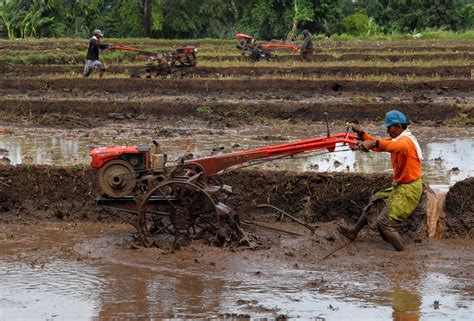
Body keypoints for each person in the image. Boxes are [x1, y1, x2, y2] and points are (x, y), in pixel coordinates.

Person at [338, 110, 423, 251]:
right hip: (400, 186)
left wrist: (373, 143)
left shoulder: (405, 142)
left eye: (389, 127)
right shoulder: (397, 138)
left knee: (384, 223)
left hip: (410, 189)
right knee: (375, 200)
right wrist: (361, 134)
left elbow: (391, 147)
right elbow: (381, 144)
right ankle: (353, 232)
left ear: (397, 126)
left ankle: (403, 254)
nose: (387, 130)